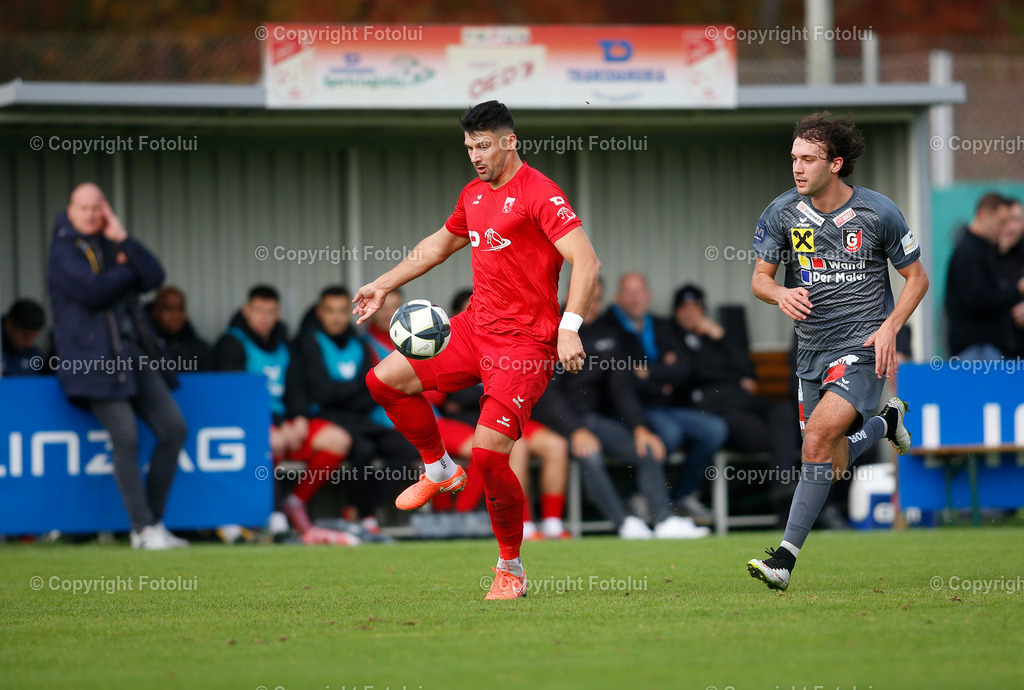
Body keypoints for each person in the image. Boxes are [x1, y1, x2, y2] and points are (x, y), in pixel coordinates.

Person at [353, 100, 601, 599]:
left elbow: (586, 260)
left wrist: (569, 326)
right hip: (473, 329)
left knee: (489, 458)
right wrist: (382, 284)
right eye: (469, 147)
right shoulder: (473, 193)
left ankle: (510, 567)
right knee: (383, 380)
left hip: (526, 343)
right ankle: (439, 468)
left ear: (511, 141)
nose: (475, 156)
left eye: (483, 145)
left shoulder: (540, 192)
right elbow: (438, 246)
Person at [746, 112, 928, 591]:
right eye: (793, 159)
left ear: (836, 163)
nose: (797, 168)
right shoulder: (782, 212)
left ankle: (783, 559)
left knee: (815, 442)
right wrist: (779, 294)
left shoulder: (878, 213)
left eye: (808, 159)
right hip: (810, 354)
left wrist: (890, 327)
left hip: (863, 348)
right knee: (830, 459)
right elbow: (760, 280)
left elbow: (917, 278)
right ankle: (885, 424)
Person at [47, 182, 188, 550]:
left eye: (98, 208)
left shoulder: (111, 243)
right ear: (71, 210)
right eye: (85, 208)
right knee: (125, 437)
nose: (92, 215)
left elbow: (155, 277)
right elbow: (94, 292)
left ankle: (154, 525)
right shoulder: (62, 251)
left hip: (131, 357)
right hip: (91, 363)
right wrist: (126, 271)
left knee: (173, 429)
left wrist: (123, 239)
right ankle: (141, 530)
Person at [533, 280, 710, 539]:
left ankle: (664, 521)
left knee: (647, 446)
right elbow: (547, 394)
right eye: (586, 298)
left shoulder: (608, 333)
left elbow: (621, 387)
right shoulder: (550, 330)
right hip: (557, 423)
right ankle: (624, 523)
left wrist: (639, 427)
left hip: (595, 420)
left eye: (596, 299)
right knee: (590, 453)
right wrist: (575, 430)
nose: (591, 305)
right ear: (572, 296)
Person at [214, 285, 354, 543]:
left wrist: (299, 418)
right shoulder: (231, 343)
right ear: (247, 311)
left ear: (278, 313)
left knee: (338, 440)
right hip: (248, 428)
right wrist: (277, 424)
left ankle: (295, 501)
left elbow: (296, 387)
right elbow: (236, 397)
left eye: (271, 311)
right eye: (259, 311)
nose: (264, 317)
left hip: (285, 424)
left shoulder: (284, 344)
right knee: (273, 442)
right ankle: (272, 515)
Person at [597, 272, 728, 523]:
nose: (635, 298)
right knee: (668, 433)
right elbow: (622, 377)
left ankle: (683, 495)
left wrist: (649, 373)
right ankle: (637, 495)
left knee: (714, 429)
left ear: (649, 296)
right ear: (617, 298)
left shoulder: (660, 325)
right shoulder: (608, 327)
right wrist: (661, 381)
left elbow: (683, 368)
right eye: (628, 292)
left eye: (639, 292)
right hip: (627, 411)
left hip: (664, 408)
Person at [290, 285, 419, 534]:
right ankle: (366, 516)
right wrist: (352, 390)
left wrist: (342, 392)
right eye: (330, 311)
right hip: (329, 420)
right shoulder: (308, 342)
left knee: (403, 447)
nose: (336, 317)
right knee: (363, 449)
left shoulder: (358, 344)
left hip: (360, 418)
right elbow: (320, 392)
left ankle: (362, 507)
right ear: (320, 312)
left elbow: (370, 389)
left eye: (342, 311)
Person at [671, 283, 800, 523]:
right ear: (676, 311)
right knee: (771, 436)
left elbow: (747, 368)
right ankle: (784, 498)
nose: (690, 313)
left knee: (783, 411)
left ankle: (783, 487)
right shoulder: (672, 338)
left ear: (703, 310)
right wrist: (735, 380)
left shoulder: (715, 337)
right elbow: (691, 375)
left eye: (695, 307)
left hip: (744, 402)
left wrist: (720, 336)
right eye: (684, 308)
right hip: (718, 412)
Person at [945, 192, 1024, 359]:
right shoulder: (969, 251)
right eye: (1000, 222)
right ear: (983, 215)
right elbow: (978, 299)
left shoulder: (983, 249)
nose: (1003, 229)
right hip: (977, 351)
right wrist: (1016, 290)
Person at [149, 286, 213, 371]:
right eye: (168, 309)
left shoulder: (200, 349)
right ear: (155, 312)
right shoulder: (144, 349)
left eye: (180, 309)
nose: (176, 315)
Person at [996, 199, 1024, 357]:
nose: (1010, 227)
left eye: (1015, 220)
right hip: (992, 354)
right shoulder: (983, 255)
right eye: (1005, 222)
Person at [2, 299, 47, 376]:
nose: (29, 344)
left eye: (34, 337)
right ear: (8, 325)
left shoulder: (33, 355)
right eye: (26, 336)